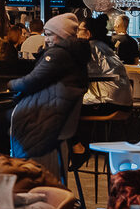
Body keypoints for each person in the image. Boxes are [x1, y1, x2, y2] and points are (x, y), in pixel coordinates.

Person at [6, 13, 91, 175]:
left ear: (62, 35)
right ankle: (11, 173)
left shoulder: (59, 54)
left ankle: (14, 175)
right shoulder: (74, 52)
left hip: (48, 117)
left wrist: (10, 85)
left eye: (50, 34)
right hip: (60, 114)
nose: (46, 38)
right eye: (46, 34)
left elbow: (32, 81)